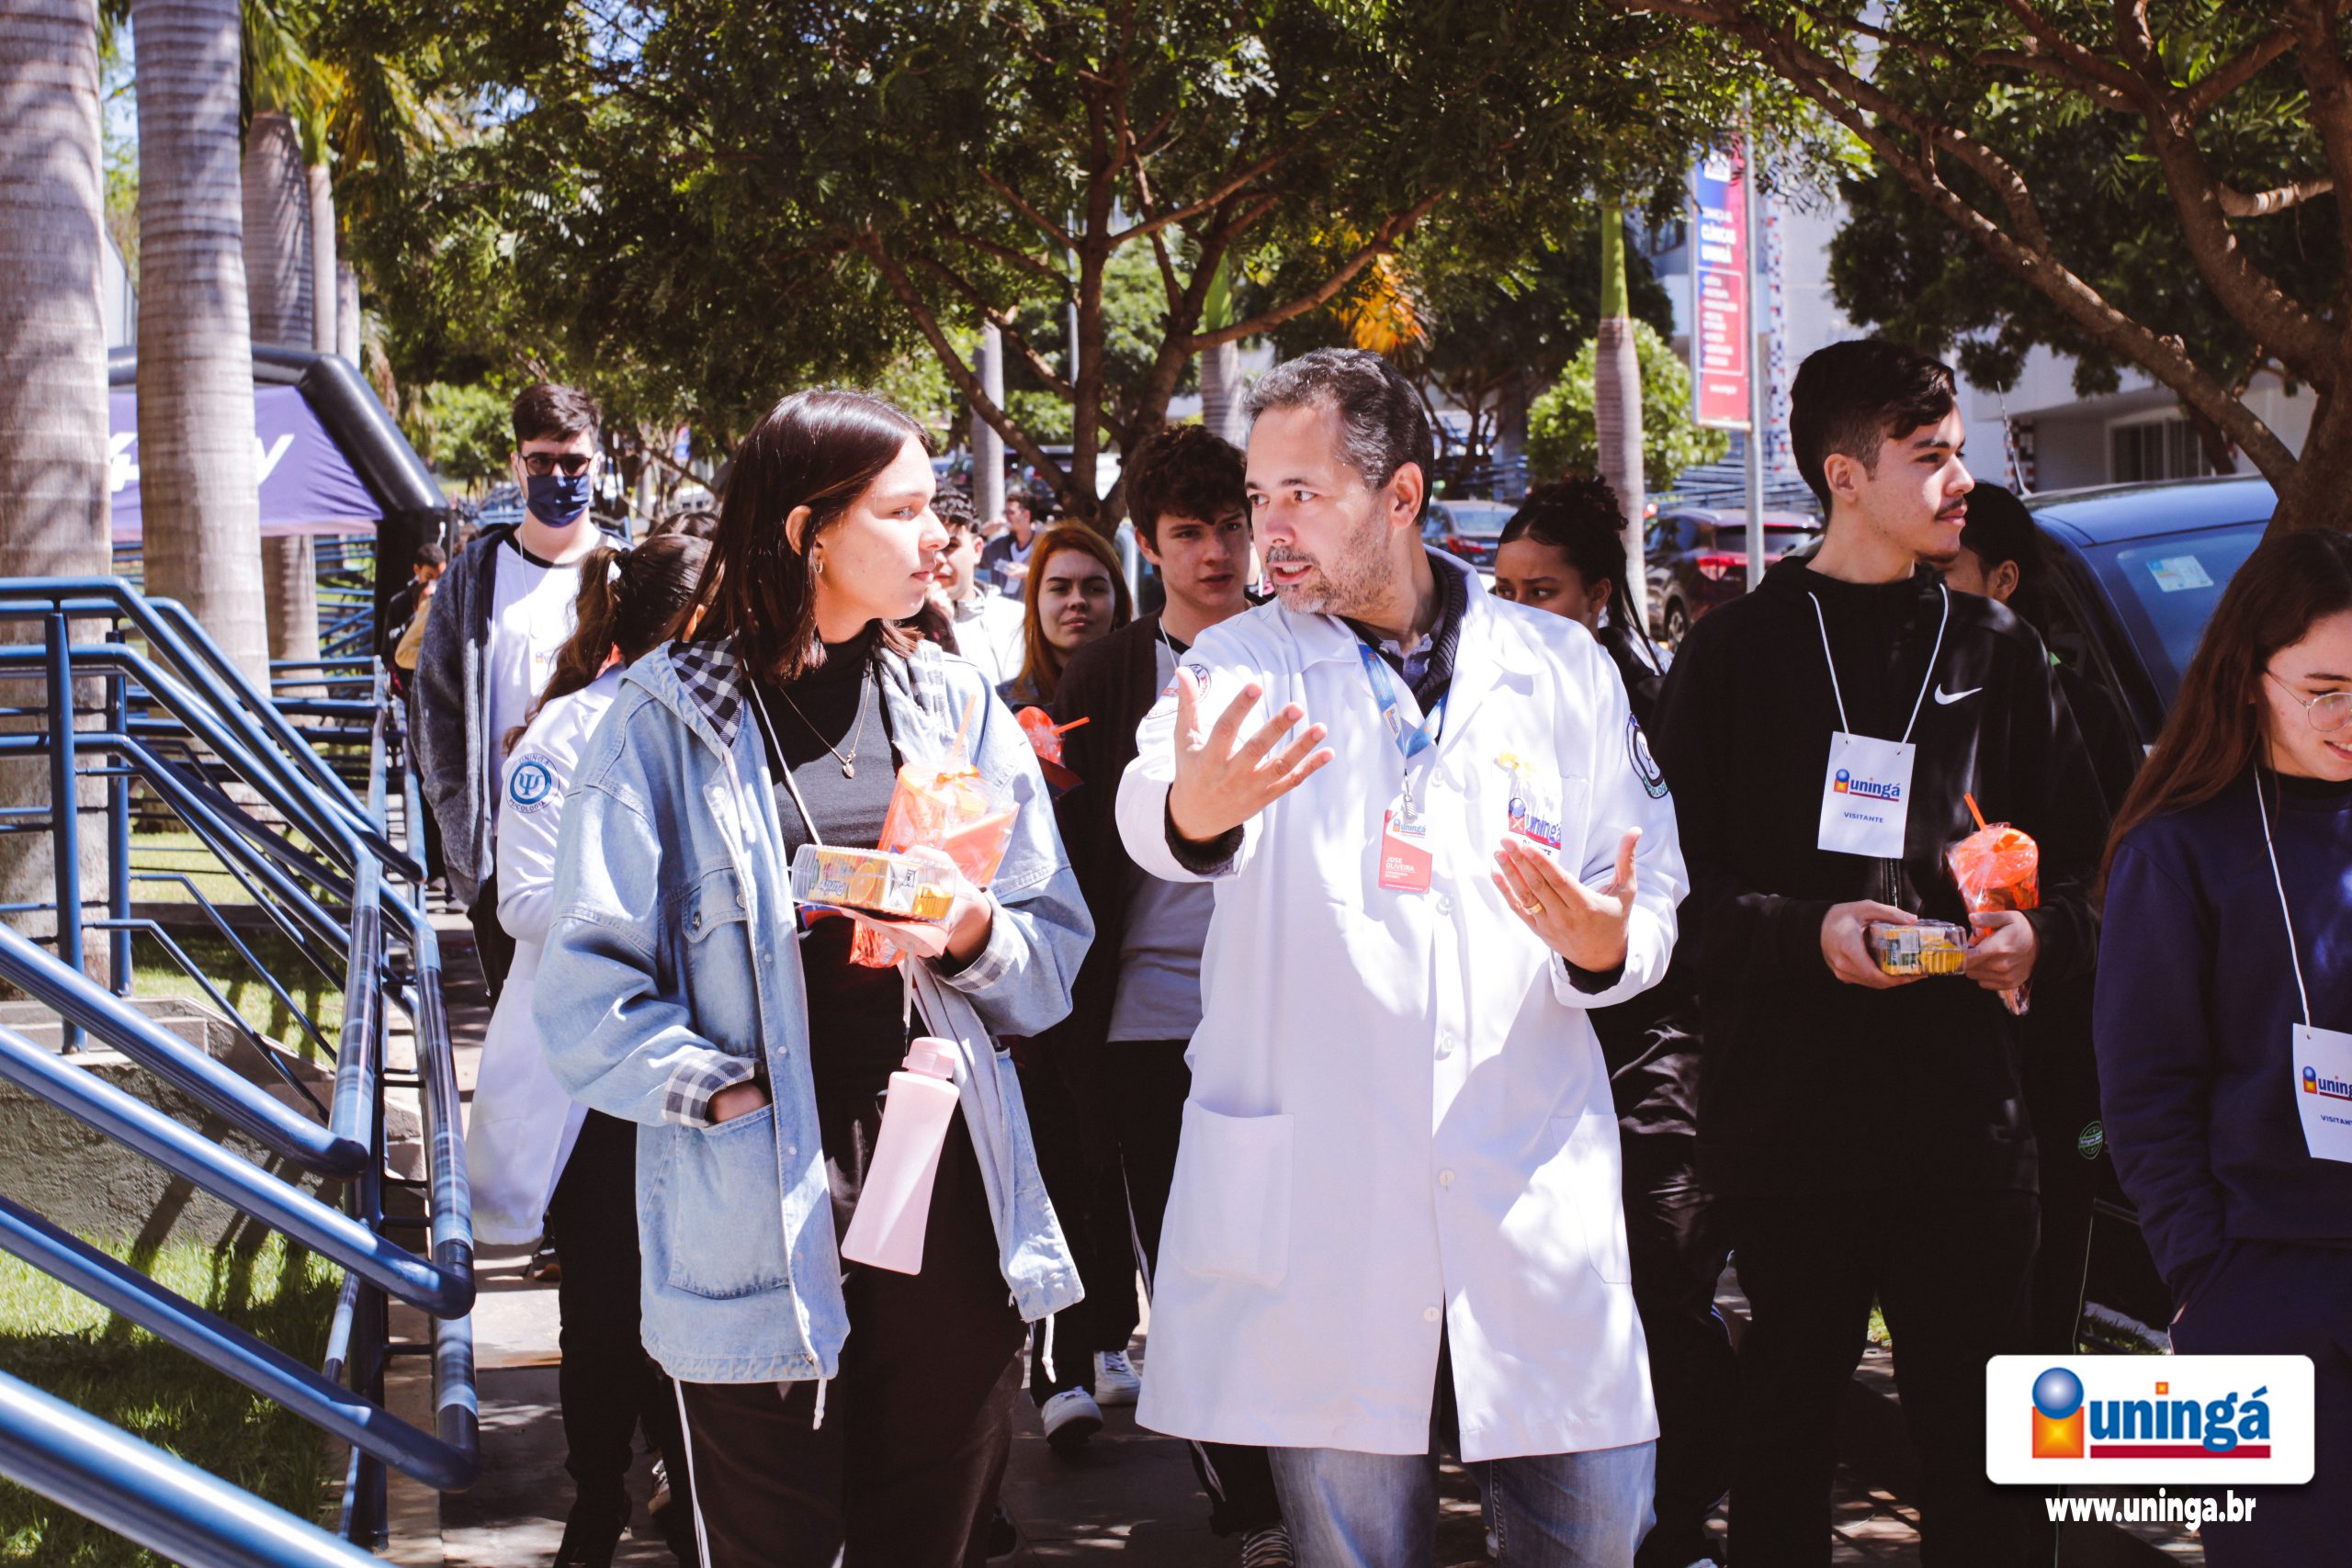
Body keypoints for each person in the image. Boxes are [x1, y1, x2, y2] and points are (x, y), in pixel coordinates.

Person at [1115, 347, 1685, 1564]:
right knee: (1355, 1545)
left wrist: (1605, 948)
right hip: (1324, 1203)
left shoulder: (1559, 667)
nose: (1270, 529)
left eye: (1302, 494)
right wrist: (1193, 810)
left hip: (1524, 1176)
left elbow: (1649, 892)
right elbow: (1153, 803)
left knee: (1593, 1530)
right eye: (1259, 496)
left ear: (1401, 497)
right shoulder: (1240, 663)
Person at [535, 389, 1090, 1567]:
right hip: (754, 1188)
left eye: (936, 506)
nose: (939, 535)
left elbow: (1050, 953)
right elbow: (586, 996)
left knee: (930, 1530)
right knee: (769, 1536)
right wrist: (726, 1095)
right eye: (903, 510)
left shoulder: (953, 703)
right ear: (808, 532)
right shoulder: (661, 724)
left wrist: (968, 930)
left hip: (941, 1169)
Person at [1650, 339, 2109, 1565]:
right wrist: (1807, 933)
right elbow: (1666, 902)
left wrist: (2038, 937)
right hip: (1789, 1132)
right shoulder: (1733, 656)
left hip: (1970, 1129)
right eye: (1931, 457)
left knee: (1989, 1459)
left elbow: (2093, 874)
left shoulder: (1998, 649)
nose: (1962, 481)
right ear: (1844, 474)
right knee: (1784, 1444)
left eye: (1959, 452)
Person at [1019, 424, 1292, 1560]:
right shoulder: (1107, 674)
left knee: (1290, 1264)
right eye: (1189, 533)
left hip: (1285, 1012)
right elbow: (1068, 862)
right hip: (1144, 1020)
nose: (1217, 553)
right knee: (1189, 1268)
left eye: (1232, 525)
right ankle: (1253, 1508)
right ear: (1149, 545)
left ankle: (1306, 1483)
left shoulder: (1305, 648)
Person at [2094, 529, 2352, 1567]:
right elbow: (2145, 1089)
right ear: (2250, 680)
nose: (2350, 719)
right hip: (2268, 1284)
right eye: (2325, 692)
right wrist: (2208, 1278)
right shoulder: (2180, 848)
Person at [1493, 479, 1734, 1568]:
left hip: (1652, 1042)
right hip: (1527, 1043)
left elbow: (1685, 893)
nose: (1517, 610)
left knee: (1662, 1284)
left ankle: (1675, 1526)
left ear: (1598, 596)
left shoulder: (1650, 704)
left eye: (1541, 590)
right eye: (1501, 590)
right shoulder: (1478, 706)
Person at [469, 531, 711, 1568]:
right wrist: (671, 912)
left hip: (713, 1057)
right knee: (608, 1300)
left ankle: (694, 1489)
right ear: (678, 624)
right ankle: (598, 1494)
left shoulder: (733, 723)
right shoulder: (565, 734)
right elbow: (521, 900)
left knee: (703, 1290)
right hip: (602, 1067)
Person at [1939, 483, 2140, 1373]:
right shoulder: (1914, 705)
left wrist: (2044, 936)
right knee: (1957, 1299)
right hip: (1941, 1046)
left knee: (2054, 1261)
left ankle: (2037, 1457)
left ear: (2005, 579)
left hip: (2062, 1057)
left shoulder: (2082, 713)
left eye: (1945, 573)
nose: (1924, 595)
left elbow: (2113, 887)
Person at [419, 382, 614, 1002]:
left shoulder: (625, 572)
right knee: (515, 1024)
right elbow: (436, 710)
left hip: (608, 860)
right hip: (503, 861)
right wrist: (461, 829)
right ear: (517, 464)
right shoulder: (474, 575)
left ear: (596, 464)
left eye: (573, 462)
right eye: (541, 461)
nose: (558, 476)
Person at [997, 523, 1131, 709]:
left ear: (1118, 605)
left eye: (1095, 589)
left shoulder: (1154, 701)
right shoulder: (998, 710)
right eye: (1060, 589)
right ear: (1036, 603)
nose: (1077, 600)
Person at [932, 489, 1025, 688]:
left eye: (950, 546)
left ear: (977, 550)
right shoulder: (900, 629)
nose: (938, 558)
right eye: (930, 547)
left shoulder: (1018, 618)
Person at [381, 540, 447, 692]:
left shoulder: (449, 600)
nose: (435, 583)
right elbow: (389, 652)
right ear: (417, 570)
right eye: (429, 576)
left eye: (440, 577)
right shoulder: (399, 604)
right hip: (408, 684)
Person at [979, 488, 1040, 592]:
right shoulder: (999, 545)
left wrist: (1029, 572)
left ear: (1026, 515)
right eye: (1005, 512)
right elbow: (972, 558)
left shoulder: (1043, 544)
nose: (1006, 517)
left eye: (1011, 512)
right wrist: (982, 533)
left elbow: (1057, 574)